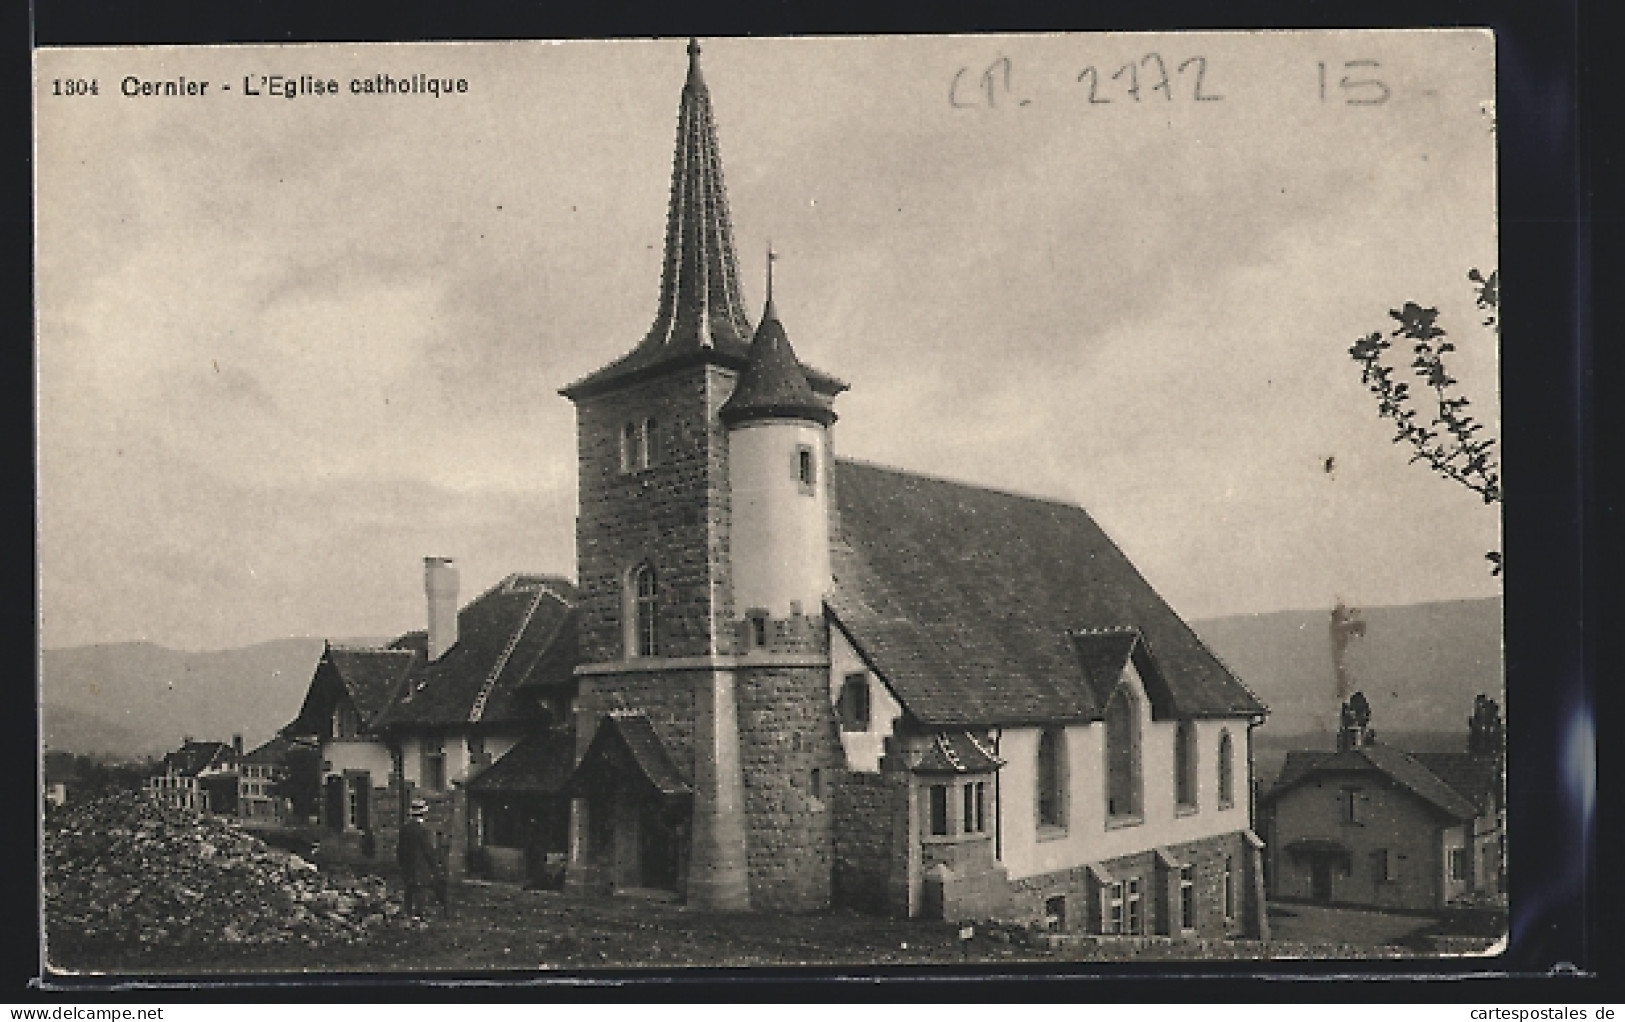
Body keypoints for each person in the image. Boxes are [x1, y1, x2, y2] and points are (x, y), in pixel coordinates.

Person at [397, 799, 447, 919]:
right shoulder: (423, 831)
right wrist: (435, 865)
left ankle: (408, 913)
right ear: (424, 814)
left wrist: (402, 864)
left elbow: (400, 850)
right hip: (421, 866)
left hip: (408, 866)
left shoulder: (404, 829)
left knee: (409, 889)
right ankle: (419, 915)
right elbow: (428, 850)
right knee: (420, 890)